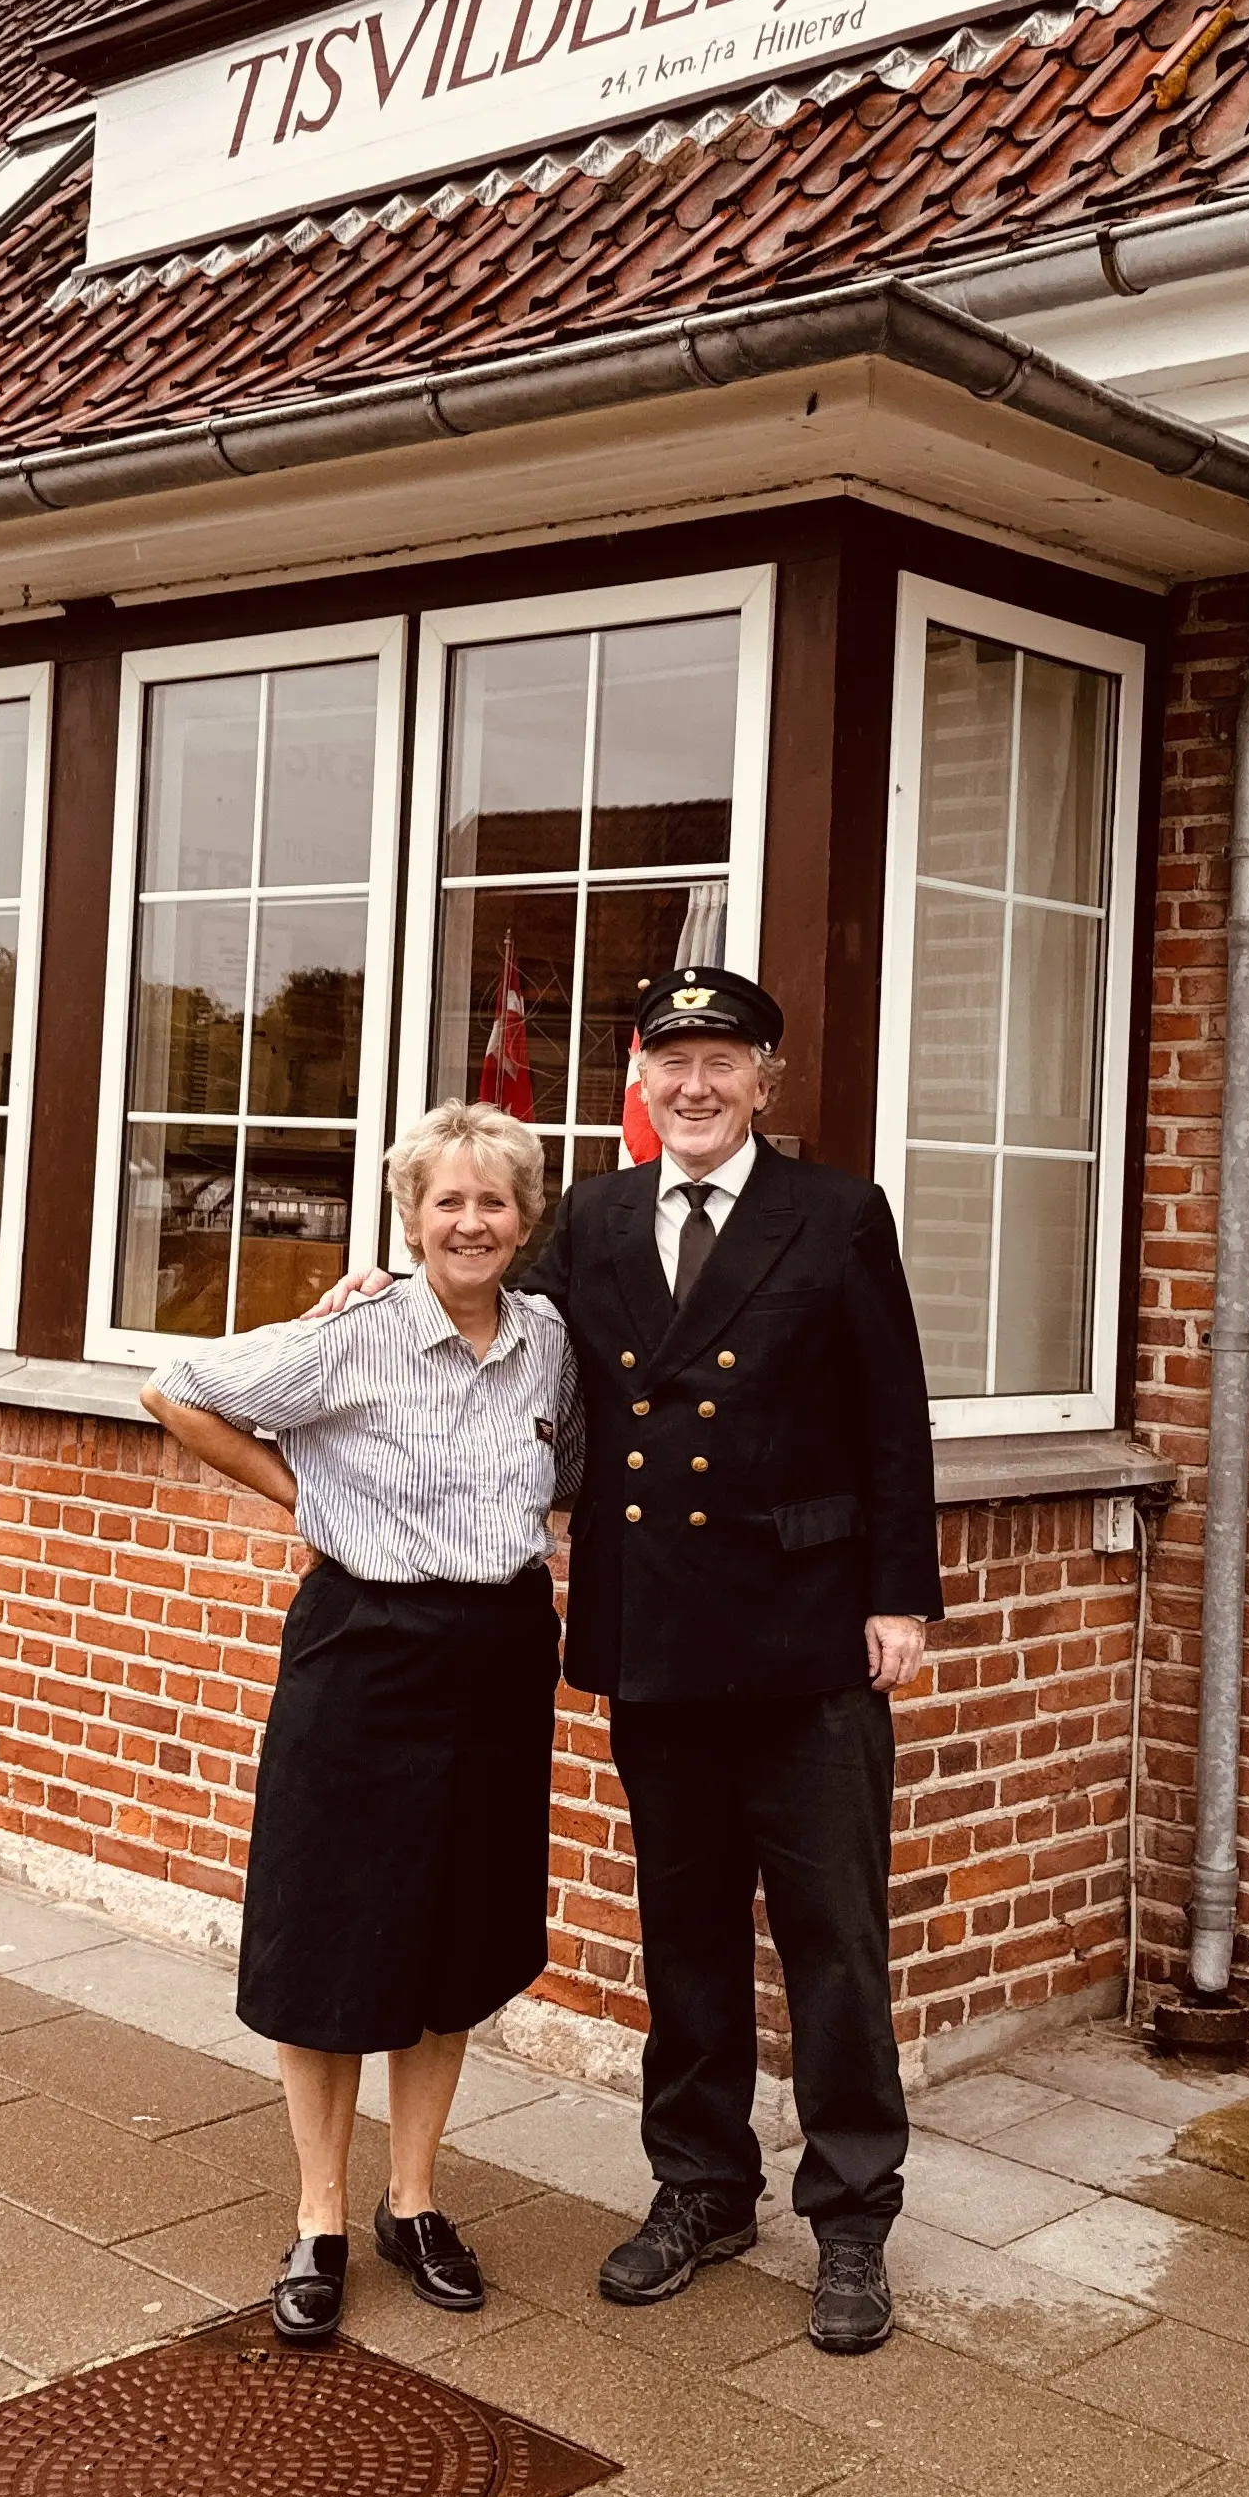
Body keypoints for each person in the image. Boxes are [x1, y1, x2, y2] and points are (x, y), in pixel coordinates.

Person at [338, 963, 941, 2355]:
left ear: (765, 1080)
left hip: (806, 1638)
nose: (695, 1083)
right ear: (643, 1083)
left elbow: (891, 1416)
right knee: (684, 1934)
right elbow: (484, 1309)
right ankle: (702, 2187)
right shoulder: (596, 1217)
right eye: (671, 1061)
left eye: (722, 1060)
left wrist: (900, 1596)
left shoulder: (837, 1214)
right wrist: (391, 1284)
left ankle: (851, 2215)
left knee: (836, 1942)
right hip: (659, 1625)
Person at [140, 1098, 578, 2351]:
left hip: (497, 1651)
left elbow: (587, 1463)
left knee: (452, 1931)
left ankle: (415, 2200)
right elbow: (175, 1386)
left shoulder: (549, 1341)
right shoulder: (358, 1333)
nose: (471, 1223)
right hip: (363, 1651)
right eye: (448, 1201)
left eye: (493, 1201)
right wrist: (302, 1490)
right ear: (411, 1215)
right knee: (330, 1929)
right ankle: (321, 2216)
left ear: (525, 1217)